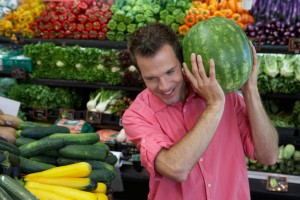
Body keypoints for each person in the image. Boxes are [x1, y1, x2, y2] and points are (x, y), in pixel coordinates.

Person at [122, 22, 278, 200]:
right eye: (151, 78)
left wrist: (250, 91)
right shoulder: (137, 115)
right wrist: (214, 106)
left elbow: (268, 156)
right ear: (140, 74)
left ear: (182, 62)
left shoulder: (222, 90)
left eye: (170, 72)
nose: (164, 86)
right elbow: (175, 168)